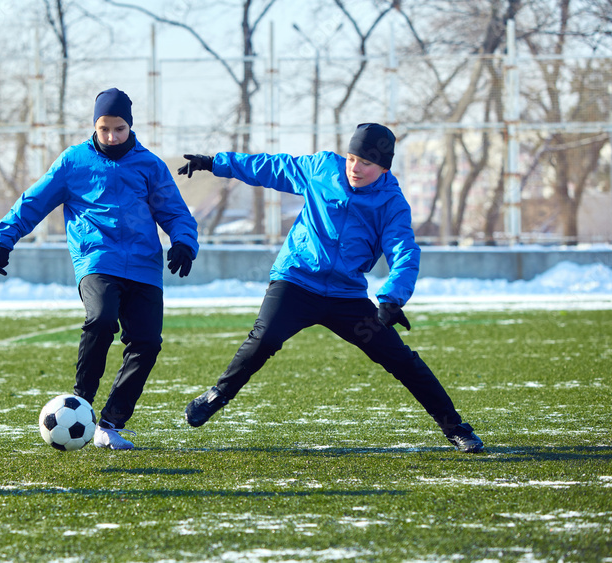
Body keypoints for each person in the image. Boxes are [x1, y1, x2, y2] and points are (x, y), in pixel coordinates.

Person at [176, 123, 484, 453]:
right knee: (263, 339)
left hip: (347, 299)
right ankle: (216, 395)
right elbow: (270, 167)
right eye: (352, 158)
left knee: (401, 360)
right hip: (296, 282)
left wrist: (393, 297)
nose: (356, 168)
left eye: (366, 163)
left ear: (383, 167)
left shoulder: (391, 203)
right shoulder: (321, 168)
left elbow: (404, 251)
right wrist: (215, 163)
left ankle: (455, 428)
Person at [0, 87, 199, 450]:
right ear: (95, 126)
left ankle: (111, 422)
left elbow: (174, 211)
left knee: (147, 344)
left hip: (145, 267)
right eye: (104, 129)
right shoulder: (74, 161)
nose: (112, 136)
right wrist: (4, 238)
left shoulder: (150, 165)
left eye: (119, 129)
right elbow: (34, 201)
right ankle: (80, 402)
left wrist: (183, 241)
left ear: (130, 127)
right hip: (97, 259)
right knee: (101, 320)